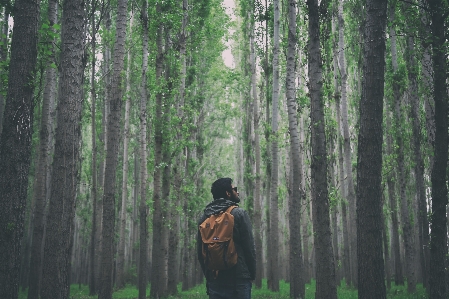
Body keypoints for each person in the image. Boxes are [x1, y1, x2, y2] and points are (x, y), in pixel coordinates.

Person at [197, 178, 256, 299]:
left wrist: (209, 276)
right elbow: (249, 248)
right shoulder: (239, 214)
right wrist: (251, 274)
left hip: (215, 278)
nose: (237, 192)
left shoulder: (204, 218)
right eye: (235, 189)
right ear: (228, 193)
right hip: (239, 279)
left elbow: (200, 252)